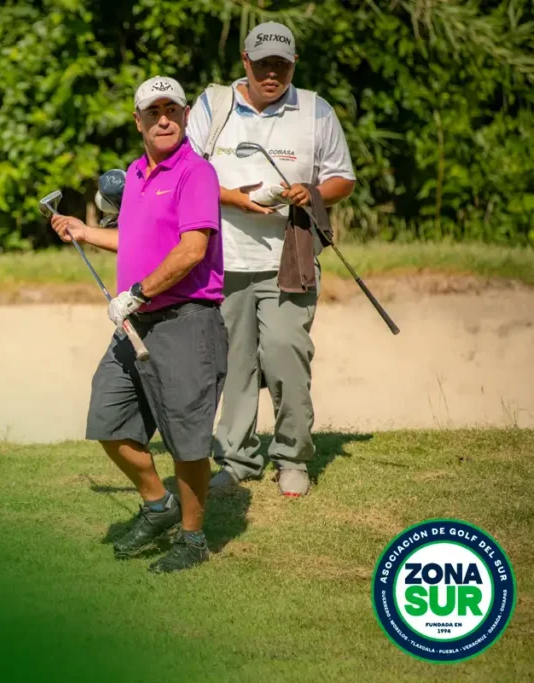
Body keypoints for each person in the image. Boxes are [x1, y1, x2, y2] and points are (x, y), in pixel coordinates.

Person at [48, 75, 227, 573]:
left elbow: (192, 250)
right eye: (153, 112)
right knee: (108, 418)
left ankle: (192, 538)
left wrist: (138, 293)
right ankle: (158, 503)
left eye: (172, 111)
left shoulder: (196, 173)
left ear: (185, 116)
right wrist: (86, 232)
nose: (163, 120)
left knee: (187, 440)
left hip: (186, 320)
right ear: (138, 121)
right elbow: (134, 238)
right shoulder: (135, 173)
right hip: (137, 321)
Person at [184, 22, 357, 497]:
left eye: (281, 65)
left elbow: (343, 178)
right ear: (245, 61)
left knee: (285, 355)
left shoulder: (316, 110)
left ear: (294, 64)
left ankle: (292, 458)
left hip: (289, 257)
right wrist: (232, 199)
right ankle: (236, 460)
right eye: (263, 64)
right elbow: (187, 174)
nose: (272, 74)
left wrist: (311, 191)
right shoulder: (213, 105)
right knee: (234, 365)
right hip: (222, 259)